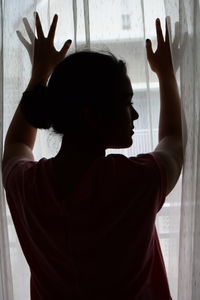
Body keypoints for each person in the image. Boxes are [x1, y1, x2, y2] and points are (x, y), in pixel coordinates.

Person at [2, 12, 182, 300]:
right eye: (126, 103)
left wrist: (40, 73)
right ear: (91, 117)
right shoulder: (136, 181)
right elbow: (173, 140)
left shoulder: (28, 187)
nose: (135, 114)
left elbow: (15, 145)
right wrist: (166, 73)